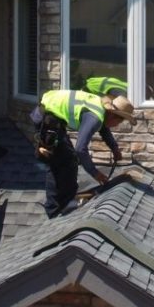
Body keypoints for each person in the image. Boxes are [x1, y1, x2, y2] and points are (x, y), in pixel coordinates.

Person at [30, 89, 136, 217]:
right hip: (46, 119)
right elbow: (80, 148)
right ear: (112, 115)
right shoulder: (95, 117)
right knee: (60, 162)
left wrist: (114, 148)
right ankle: (53, 210)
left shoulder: (101, 111)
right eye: (118, 122)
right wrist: (95, 173)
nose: (116, 126)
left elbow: (104, 129)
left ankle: (67, 201)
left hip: (52, 118)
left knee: (70, 160)